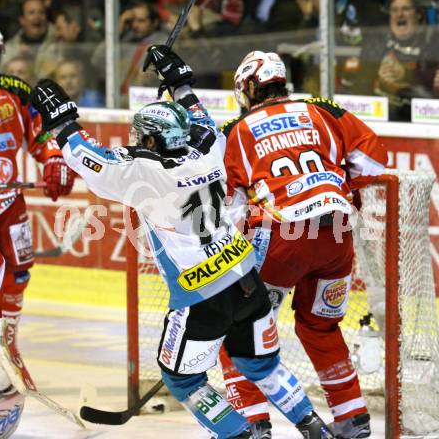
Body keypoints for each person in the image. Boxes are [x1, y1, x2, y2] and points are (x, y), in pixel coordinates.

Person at [30, 46, 336, 439]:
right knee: (264, 366)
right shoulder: (211, 147)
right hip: (246, 281)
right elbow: (199, 117)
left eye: (142, 137)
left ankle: (240, 434)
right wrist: (180, 83)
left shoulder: (144, 175)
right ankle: (316, 430)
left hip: (201, 299)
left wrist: (63, 122)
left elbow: (90, 157)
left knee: (183, 381)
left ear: (153, 142)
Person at [217, 50, 388, 439]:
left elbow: (231, 207)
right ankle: (352, 420)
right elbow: (374, 164)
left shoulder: (235, 130)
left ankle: (253, 426)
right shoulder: (324, 109)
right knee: (320, 327)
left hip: (282, 239)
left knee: (242, 329)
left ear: (247, 88)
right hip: (337, 236)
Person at [0, 30, 75, 438]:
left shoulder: (12, 94)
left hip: (10, 207)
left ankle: (9, 350)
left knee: (20, 274)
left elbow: (41, 138)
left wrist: (54, 161)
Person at [345, 0, 439, 121]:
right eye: (394, 10)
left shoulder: (430, 47)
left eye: (406, 9)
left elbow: (429, 95)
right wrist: (376, 78)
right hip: (379, 119)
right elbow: (360, 87)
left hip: (416, 122)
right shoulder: (376, 44)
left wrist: (405, 78)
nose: (400, 14)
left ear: (418, 15)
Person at [2, 0, 55, 70]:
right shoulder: (11, 48)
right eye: (32, 13)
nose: (37, 17)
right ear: (22, 20)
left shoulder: (59, 40)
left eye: (41, 12)